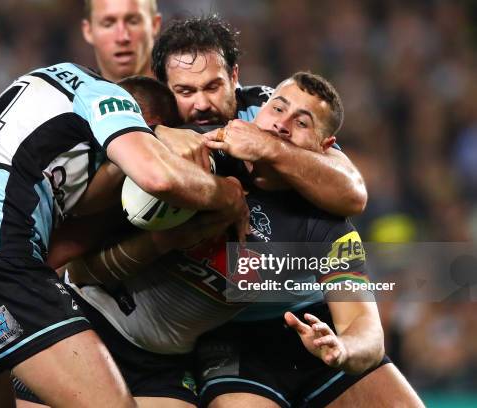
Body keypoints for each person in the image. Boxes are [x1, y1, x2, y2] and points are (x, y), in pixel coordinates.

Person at [51, 72, 423, 407]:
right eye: (277, 107)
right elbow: (80, 265)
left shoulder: (326, 222)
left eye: (302, 122)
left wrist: (342, 348)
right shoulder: (200, 157)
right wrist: (162, 137)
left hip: (299, 328)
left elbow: (367, 331)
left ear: (327, 148)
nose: (282, 124)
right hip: (191, 337)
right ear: (258, 112)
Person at [0, 62, 248, 408]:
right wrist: (226, 196)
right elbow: (157, 177)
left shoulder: (38, 104)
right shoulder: (104, 95)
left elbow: (65, 241)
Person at [151, 15, 367, 216]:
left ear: (234, 76)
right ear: (164, 89)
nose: (202, 104)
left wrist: (268, 146)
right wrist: (158, 133)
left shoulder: (266, 109)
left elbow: (353, 195)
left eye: (212, 87)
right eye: (186, 92)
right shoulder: (151, 111)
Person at [81, 0, 161, 82]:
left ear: (155, 25)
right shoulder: (77, 94)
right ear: (88, 31)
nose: (122, 38)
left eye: (133, 22)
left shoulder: (174, 93)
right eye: (108, 24)